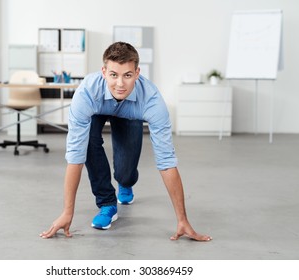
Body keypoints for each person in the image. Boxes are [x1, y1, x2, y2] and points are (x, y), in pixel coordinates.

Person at [40, 42, 212, 241]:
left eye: (127, 75)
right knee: (86, 142)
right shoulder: (86, 93)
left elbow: (166, 162)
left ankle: (126, 182)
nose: (120, 84)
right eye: (114, 75)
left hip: (131, 114)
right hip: (97, 110)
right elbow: (75, 157)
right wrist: (67, 212)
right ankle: (107, 204)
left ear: (137, 73)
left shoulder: (152, 100)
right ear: (103, 72)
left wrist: (182, 219)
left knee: (125, 172)